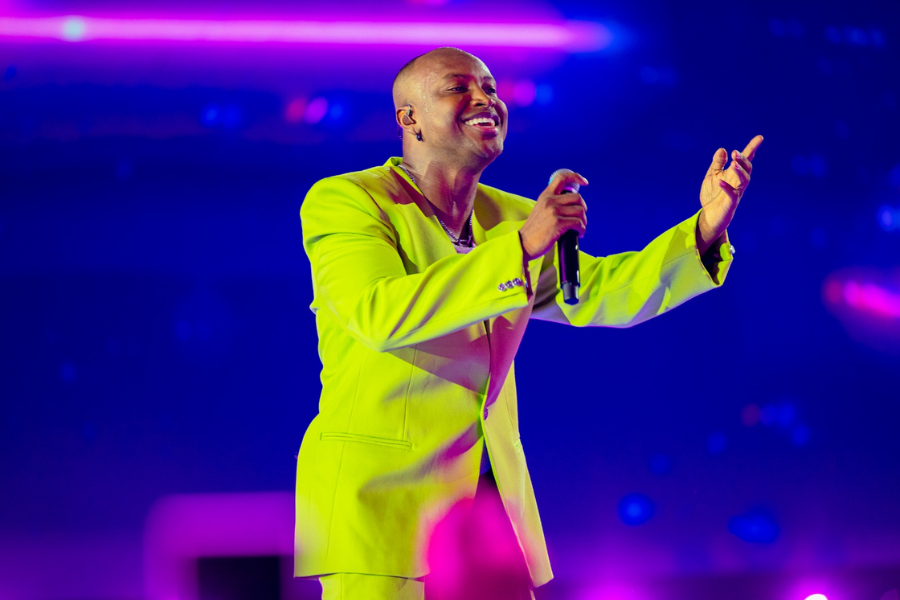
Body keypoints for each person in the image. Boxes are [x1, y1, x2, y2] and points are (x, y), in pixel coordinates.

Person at [294, 46, 763, 600]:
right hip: (386, 505)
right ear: (409, 119)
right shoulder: (349, 201)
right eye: (457, 88)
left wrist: (705, 229)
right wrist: (523, 245)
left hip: (491, 512)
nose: (484, 99)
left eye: (490, 87)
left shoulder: (511, 217)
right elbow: (380, 312)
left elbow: (605, 293)